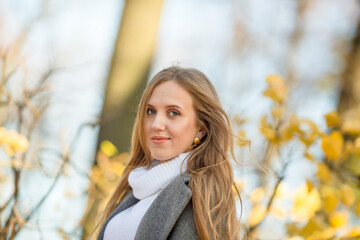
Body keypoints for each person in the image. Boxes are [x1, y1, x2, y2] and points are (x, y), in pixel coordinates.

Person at [95, 66, 242, 240]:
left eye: (173, 113)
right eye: (151, 111)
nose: (156, 124)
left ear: (201, 129)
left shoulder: (201, 195)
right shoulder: (134, 189)